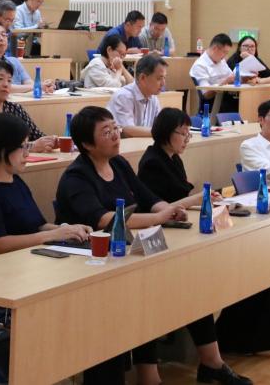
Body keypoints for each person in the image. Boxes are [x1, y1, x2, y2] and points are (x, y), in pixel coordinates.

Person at [55, 106, 186, 385]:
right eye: (106, 132)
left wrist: (169, 210)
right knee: (123, 304)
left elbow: (147, 197)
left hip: (122, 252)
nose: (116, 135)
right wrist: (158, 217)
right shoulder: (76, 177)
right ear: (87, 144)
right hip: (84, 262)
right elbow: (104, 220)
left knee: (147, 294)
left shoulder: (119, 163)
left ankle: (149, 374)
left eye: (115, 128)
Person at [138, 107, 264, 380]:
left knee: (198, 288)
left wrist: (200, 201)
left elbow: (178, 199)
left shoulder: (172, 158)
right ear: (166, 133)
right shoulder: (152, 162)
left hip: (176, 230)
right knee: (188, 285)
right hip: (158, 238)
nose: (186, 139)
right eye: (182, 133)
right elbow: (160, 206)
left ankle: (212, 362)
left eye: (188, 133)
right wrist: (197, 199)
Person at [0, 112, 90, 256]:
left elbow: (38, 226)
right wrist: (53, 235)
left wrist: (68, 230)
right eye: (22, 147)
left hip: (27, 258)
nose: (27, 154)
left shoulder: (15, 180)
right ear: (2, 149)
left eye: (27, 146)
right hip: (2, 264)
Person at [0, 59, 58, 150]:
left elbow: (36, 135)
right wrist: (30, 146)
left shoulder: (15, 108)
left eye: (9, 80)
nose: (6, 84)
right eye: (0, 79)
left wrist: (50, 141)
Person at [0, 21, 54, 94]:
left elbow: (28, 82)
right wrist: (37, 86)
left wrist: (43, 86)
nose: (1, 38)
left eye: (4, 35)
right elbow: (3, 88)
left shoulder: (14, 61)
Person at [106, 54, 168, 137]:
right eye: (159, 78)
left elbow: (160, 125)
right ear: (142, 78)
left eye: (164, 78)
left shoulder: (153, 98)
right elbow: (128, 130)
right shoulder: (123, 96)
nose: (163, 83)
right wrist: (163, 132)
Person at [189, 33, 235, 105]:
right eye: (224, 52)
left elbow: (231, 77)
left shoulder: (221, 61)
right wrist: (224, 83)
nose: (225, 56)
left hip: (227, 98)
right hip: (214, 104)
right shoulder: (200, 66)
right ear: (215, 49)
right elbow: (206, 94)